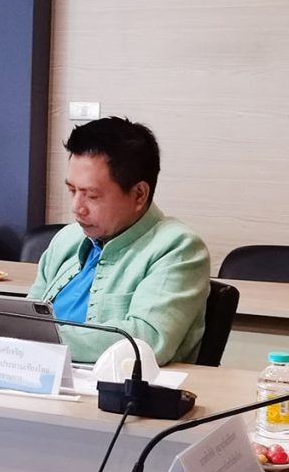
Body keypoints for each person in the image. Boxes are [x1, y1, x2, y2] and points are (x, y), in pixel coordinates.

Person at [27, 117, 210, 365]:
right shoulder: (67, 239)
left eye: (92, 196)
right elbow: (26, 316)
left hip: (115, 386)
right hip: (43, 373)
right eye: (72, 190)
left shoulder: (178, 247)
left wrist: (39, 340)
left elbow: (147, 340)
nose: (77, 207)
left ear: (139, 194)